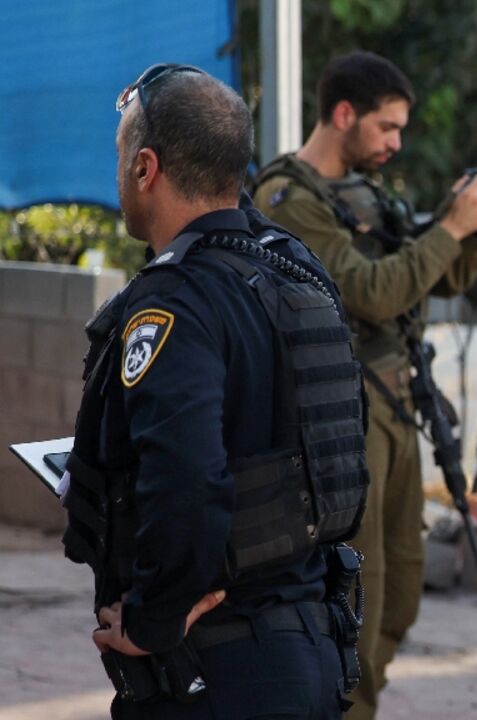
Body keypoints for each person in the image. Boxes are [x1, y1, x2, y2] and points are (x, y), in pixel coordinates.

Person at [61, 64, 367, 719]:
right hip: (313, 651)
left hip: (216, 673)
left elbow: (189, 483)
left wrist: (152, 619)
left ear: (145, 168)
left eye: (121, 156)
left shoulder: (173, 304)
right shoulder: (297, 273)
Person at [253, 51, 477, 720]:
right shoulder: (287, 200)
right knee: (357, 600)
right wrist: (450, 228)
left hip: (398, 407)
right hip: (343, 413)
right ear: (344, 115)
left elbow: (439, 279)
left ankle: (356, 697)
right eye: (387, 127)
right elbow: (370, 294)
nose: (397, 143)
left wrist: (474, 228)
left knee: (401, 592)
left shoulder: (368, 194)